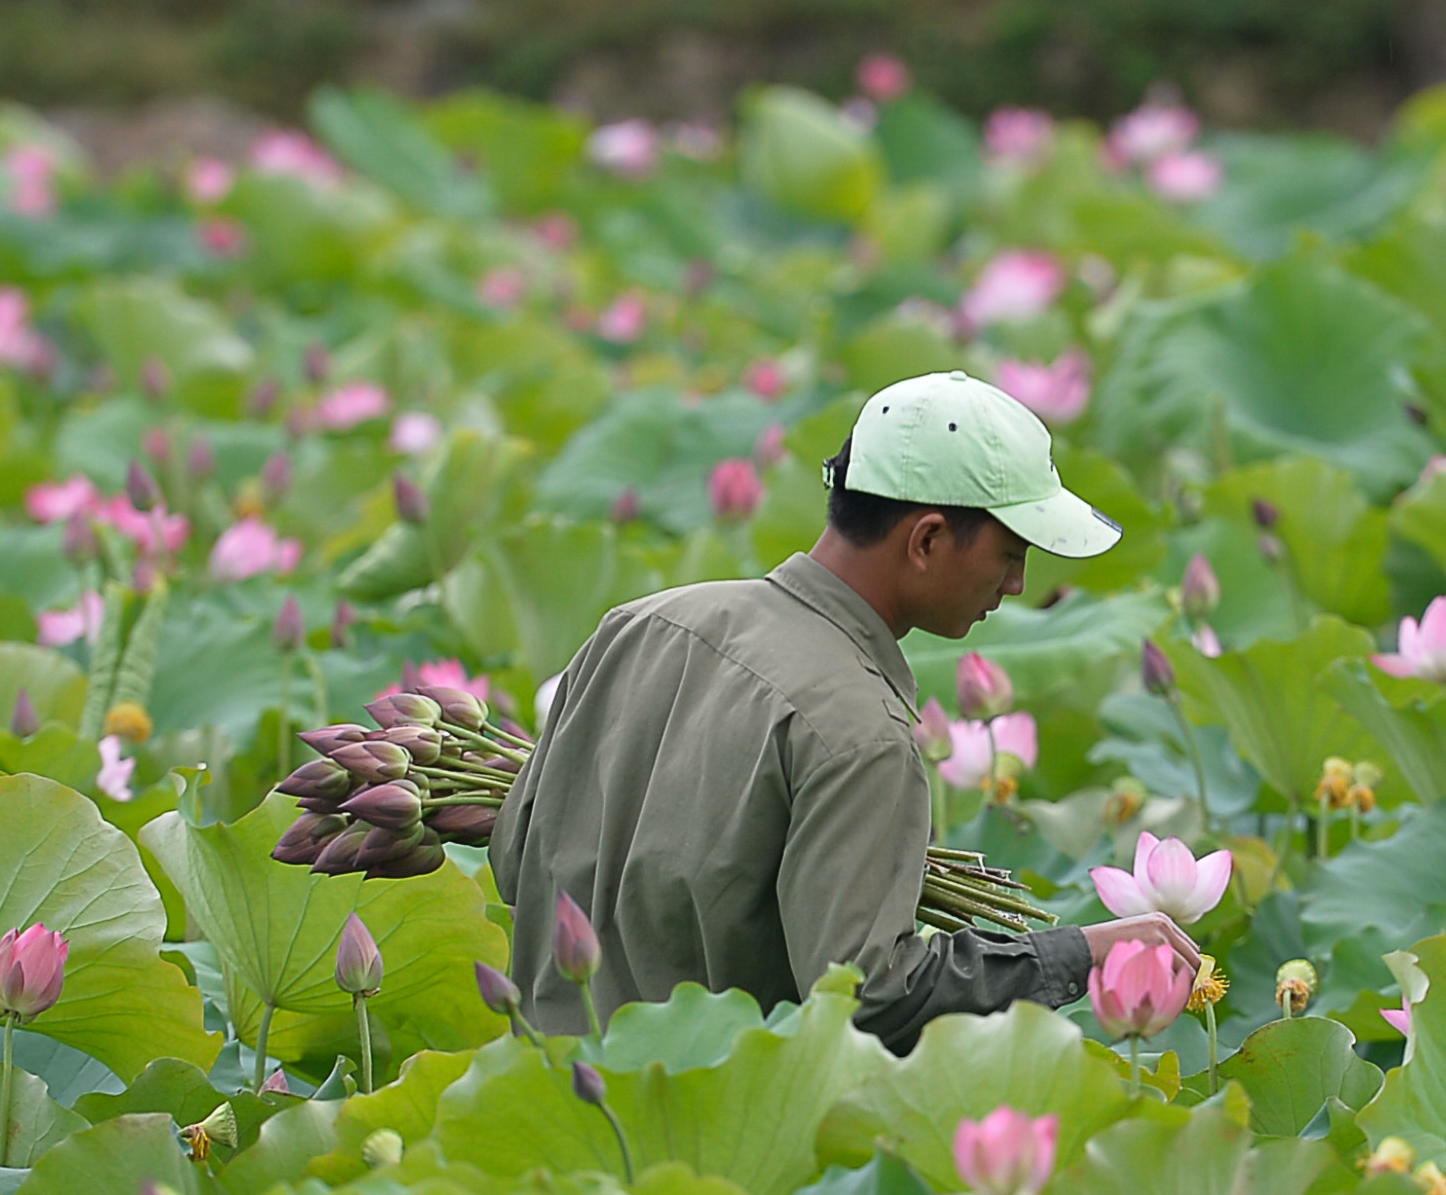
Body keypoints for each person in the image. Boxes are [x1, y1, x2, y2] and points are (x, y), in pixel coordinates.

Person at [491, 370, 1199, 1048]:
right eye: (1010, 555)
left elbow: (514, 856)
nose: (1017, 585)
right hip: (688, 1132)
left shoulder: (638, 624)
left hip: (547, 1096)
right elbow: (868, 998)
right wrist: (1073, 953)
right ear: (925, 539)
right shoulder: (862, 733)